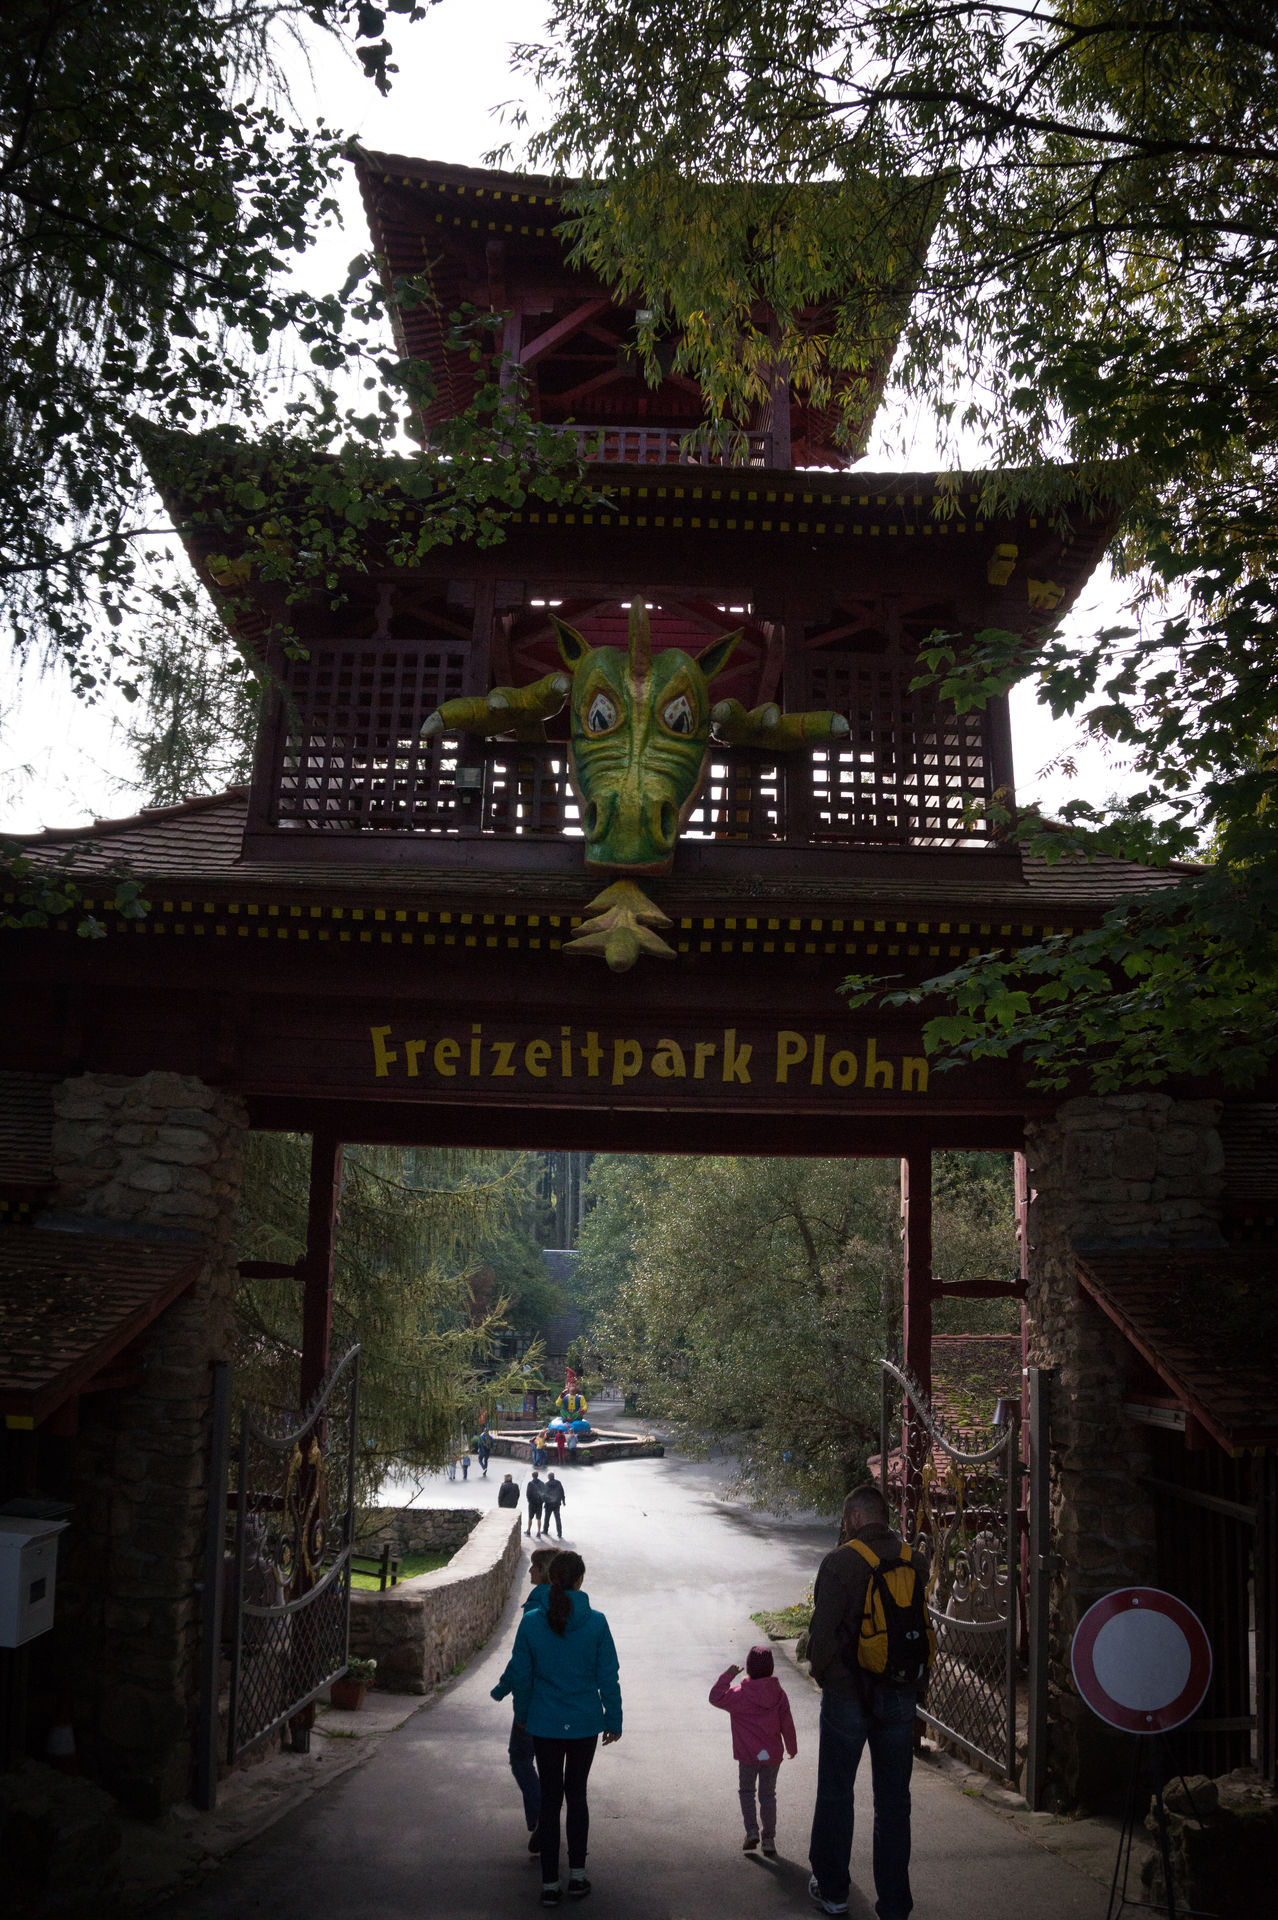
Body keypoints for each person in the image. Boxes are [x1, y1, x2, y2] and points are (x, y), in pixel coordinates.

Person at [806, 1484, 930, 1919]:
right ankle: (894, 1905)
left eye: (846, 1519)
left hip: (846, 1696)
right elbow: (919, 1629)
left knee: (836, 1791)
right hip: (899, 1694)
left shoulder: (841, 1562)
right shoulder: (915, 1560)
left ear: (856, 1518)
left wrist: (823, 1675)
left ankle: (833, 1890)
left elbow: (821, 1634)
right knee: (893, 1801)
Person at [491, 1549, 622, 1907]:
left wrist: (523, 1713)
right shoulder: (597, 1623)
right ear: (580, 1580)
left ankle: (550, 1884)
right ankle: (577, 1876)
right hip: (584, 1723)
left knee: (550, 1801)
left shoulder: (533, 1622)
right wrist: (613, 1719)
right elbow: (607, 1675)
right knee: (577, 1796)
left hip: (545, 1723)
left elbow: (522, 1673)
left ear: (551, 1579)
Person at [494, 1546, 559, 1855]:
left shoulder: (535, 1608)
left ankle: (543, 1817)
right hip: (561, 1701)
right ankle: (543, 1820)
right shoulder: (568, 1605)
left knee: (520, 1758)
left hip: (534, 1701)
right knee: (549, 1765)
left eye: (534, 1566)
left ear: (545, 1572)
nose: (529, 1571)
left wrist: (508, 1693)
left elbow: (522, 1661)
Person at [709, 1645, 797, 1856]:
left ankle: (751, 1831)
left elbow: (715, 1697)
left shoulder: (739, 1695)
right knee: (768, 1795)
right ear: (771, 1668)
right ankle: (769, 1839)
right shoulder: (779, 1694)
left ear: (748, 1668)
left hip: (748, 1755)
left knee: (747, 1792)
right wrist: (791, 1747)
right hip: (772, 1755)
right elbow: (787, 1722)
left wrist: (728, 1676)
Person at [541, 1471, 566, 1539]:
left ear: (548, 1477)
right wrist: (563, 1501)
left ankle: (545, 1530)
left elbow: (544, 1495)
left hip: (549, 1504)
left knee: (547, 1518)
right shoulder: (558, 1483)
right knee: (558, 1519)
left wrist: (543, 1502)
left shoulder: (546, 1484)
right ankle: (559, 1533)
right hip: (556, 1504)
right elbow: (562, 1492)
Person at [526, 1470, 545, 1536]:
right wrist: (542, 1501)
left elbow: (528, 1494)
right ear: (537, 1475)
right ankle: (538, 1532)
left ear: (532, 1476)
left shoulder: (530, 1483)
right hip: (539, 1503)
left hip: (532, 1503)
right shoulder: (542, 1483)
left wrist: (529, 1501)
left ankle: (528, 1531)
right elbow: (544, 1493)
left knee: (530, 1518)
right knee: (539, 1518)